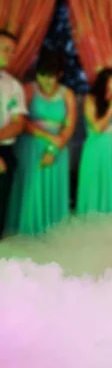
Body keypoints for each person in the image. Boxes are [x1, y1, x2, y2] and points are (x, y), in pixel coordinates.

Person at [5, 51, 76, 236]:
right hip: (30, 146)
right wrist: (48, 137)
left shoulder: (67, 94)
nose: (46, 80)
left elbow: (69, 126)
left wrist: (54, 148)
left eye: (51, 76)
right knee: (30, 188)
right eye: (42, 75)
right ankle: (25, 232)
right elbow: (21, 121)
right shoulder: (28, 89)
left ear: (59, 75)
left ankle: (51, 233)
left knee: (52, 190)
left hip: (57, 149)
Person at [76, 68, 112, 215]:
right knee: (95, 186)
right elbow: (97, 127)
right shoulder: (91, 99)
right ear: (106, 82)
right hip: (96, 149)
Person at [0, 30, 26, 237]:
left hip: (5, 150)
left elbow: (19, 123)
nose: (10, 54)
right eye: (6, 49)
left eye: (13, 51)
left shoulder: (13, 85)